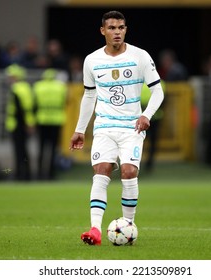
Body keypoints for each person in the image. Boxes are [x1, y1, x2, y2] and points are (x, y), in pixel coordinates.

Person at [69, 11, 164, 245]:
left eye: (121, 27)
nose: (117, 32)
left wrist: (146, 114)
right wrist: (80, 129)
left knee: (129, 172)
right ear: (103, 31)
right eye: (112, 28)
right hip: (104, 126)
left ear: (126, 30)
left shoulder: (140, 56)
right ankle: (95, 230)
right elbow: (89, 96)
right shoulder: (91, 60)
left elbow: (158, 91)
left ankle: (128, 226)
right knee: (101, 170)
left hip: (132, 127)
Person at [33, 68, 67, 180]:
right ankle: (51, 174)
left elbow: (34, 103)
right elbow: (66, 101)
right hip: (56, 120)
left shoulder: (38, 86)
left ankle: (39, 174)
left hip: (42, 120)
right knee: (53, 149)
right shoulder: (61, 87)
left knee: (41, 148)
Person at [5, 64, 35, 180]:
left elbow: (25, 108)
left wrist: (29, 123)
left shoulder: (18, 88)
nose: (9, 79)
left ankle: (21, 174)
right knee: (22, 150)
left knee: (20, 150)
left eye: (11, 76)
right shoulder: (24, 87)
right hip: (21, 123)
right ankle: (24, 173)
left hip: (19, 124)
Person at [141, 80, 166, 171]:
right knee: (153, 142)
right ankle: (149, 163)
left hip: (140, 117)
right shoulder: (161, 83)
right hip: (155, 117)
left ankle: (136, 161)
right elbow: (163, 100)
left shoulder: (137, 82)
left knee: (137, 140)